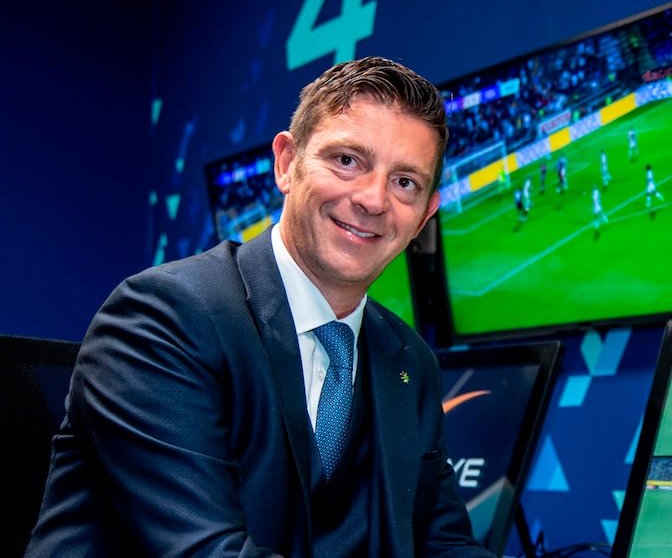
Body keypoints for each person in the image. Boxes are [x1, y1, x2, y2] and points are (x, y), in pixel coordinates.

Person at [25, 57, 491, 557]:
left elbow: (443, 544)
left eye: (405, 183)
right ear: (287, 163)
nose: (373, 199)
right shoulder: (164, 317)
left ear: (424, 215)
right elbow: (204, 551)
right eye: (347, 160)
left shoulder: (409, 359)